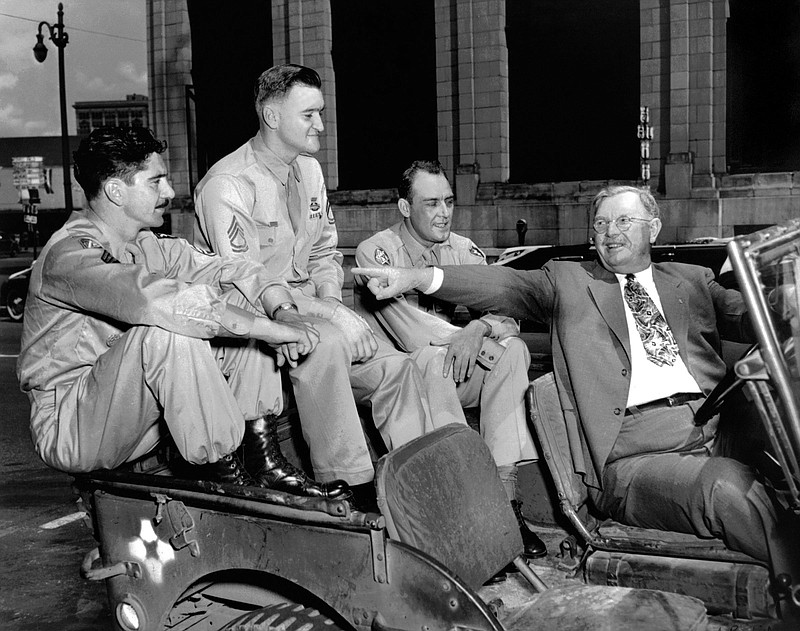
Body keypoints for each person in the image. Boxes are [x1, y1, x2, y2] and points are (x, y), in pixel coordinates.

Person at [354, 184, 799, 582]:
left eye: (624, 220)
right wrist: (416, 278)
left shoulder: (692, 279)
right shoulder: (567, 283)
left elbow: (753, 313)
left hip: (715, 429)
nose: (610, 232)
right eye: (601, 223)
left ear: (654, 228)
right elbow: (503, 283)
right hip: (634, 457)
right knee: (725, 487)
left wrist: (789, 300)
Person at [16, 126, 351, 500]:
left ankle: (260, 458)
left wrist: (283, 313)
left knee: (239, 300)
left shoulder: (145, 245)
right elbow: (156, 302)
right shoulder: (69, 255)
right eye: (155, 181)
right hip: (74, 425)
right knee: (170, 331)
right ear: (115, 190)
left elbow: (234, 270)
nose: (169, 192)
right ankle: (225, 477)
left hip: (138, 419)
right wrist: (271, 332)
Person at [193, 64, 431, 509]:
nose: (321, 125)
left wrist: (327, 302)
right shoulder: (227, 185)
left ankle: (415, 487)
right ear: (272, 116)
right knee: (331, 343)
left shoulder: (310, 172)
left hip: (310, 311)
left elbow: (324, 253)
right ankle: (352, 489)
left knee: (396, 367)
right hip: (253, 324)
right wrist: (332, 316)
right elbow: (248, 283)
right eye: (309, 115)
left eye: (321, 113)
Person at [354, 159, 545, 558]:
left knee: (515, 352)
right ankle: (463, 500)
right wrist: (463, 335)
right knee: (430, 357)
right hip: (406, 379)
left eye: (449, 202)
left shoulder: (463, 249)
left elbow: (507, 316)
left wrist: (480, 329)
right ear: (405, 208)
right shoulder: (378, 250)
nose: (444, 213)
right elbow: (409, 332)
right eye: (431, 204)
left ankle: (506, 502)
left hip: (455, 372)